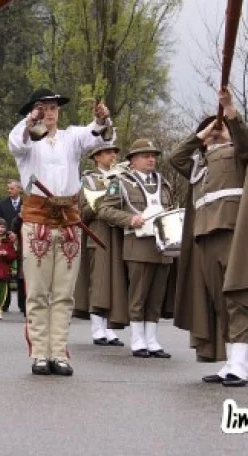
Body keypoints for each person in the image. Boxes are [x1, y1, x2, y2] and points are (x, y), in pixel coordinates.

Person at [169, 88, 248, 388]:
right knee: (218, 300)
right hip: (204, 237)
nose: (217, 134)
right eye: (212, 132)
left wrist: (230, 112)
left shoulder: (237, 155)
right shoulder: (199, 165)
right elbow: (175, 157)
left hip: (233, 233)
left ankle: (240, 365)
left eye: (221, 131)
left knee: (237, 297)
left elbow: (245, 142)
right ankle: (230, 362)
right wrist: (202, 134)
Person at [8, 88, 113, 377]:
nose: (49, 112)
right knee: (38, 292)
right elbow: (17, 143)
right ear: (33, 110)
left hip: (68, 219)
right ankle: (40, 353)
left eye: (53, 107)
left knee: (64, 293)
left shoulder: (71, 138)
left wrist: (102, 119)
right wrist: (32, 120)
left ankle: (59, 352)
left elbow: (98, 133)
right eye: (43, 107)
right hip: (37, 218)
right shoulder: (27, 139)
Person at [98, 139, 176, 359]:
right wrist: (129, 219)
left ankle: (152, 339)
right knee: (138, 294)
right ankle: (137, 339)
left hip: (163, 244)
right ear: (132, 160)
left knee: (156, 295)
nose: (151, 159)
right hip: (138, 243)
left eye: (153, 155)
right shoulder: (120, 182)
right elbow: (104, 209)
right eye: (145, 155)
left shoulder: (163, 182)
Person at [73, 142, 126, 347]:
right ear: (96, 157)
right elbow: (82, 213)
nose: (112, 155)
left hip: (119, 231)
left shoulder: (121, 177)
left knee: (116, 282)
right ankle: (98, 329)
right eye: (107, 152)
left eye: (114, 151)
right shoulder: (88, 180)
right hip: (98, 232)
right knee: (99, 282)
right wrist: (101, 202)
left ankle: (111, 328)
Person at [0, 180, 23, 312]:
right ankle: (4, 303)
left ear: (19, 189)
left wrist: (18, 234)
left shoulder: (27, 204)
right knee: (5, 271)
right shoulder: (1, 204)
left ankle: (23, 304)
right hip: (6, 241)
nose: (9, 190)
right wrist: (8, 233)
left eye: (12, 188)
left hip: (23, 241)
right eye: (8, 188)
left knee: (22, 273)